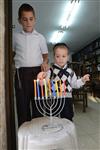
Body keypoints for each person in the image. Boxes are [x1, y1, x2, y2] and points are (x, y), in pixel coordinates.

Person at [13, 3, 48, 127]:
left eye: (31, 19)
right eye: (25, 19)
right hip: (20, 74)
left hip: (37, 73)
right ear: (19, 21)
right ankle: (25, 137)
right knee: (22, 106)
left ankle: (38, 135)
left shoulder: (40, 38)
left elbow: (45, 56)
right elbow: (11, 55)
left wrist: (44, 63)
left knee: (38, 104)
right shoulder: (15, 37)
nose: (28, 22)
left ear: (35, 19)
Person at [37, 43, 90, 121]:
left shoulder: (71, 72)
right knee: (53, 120)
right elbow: (44, 82)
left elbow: (74, 84)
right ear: (54, 57)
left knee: (68, 119)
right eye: (57, 56)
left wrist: (82, 80)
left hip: (67, 99)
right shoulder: (50, 70)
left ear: (67, 57)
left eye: (63, 56)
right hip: (53, 99)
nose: (61, 59)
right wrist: (41, 81)